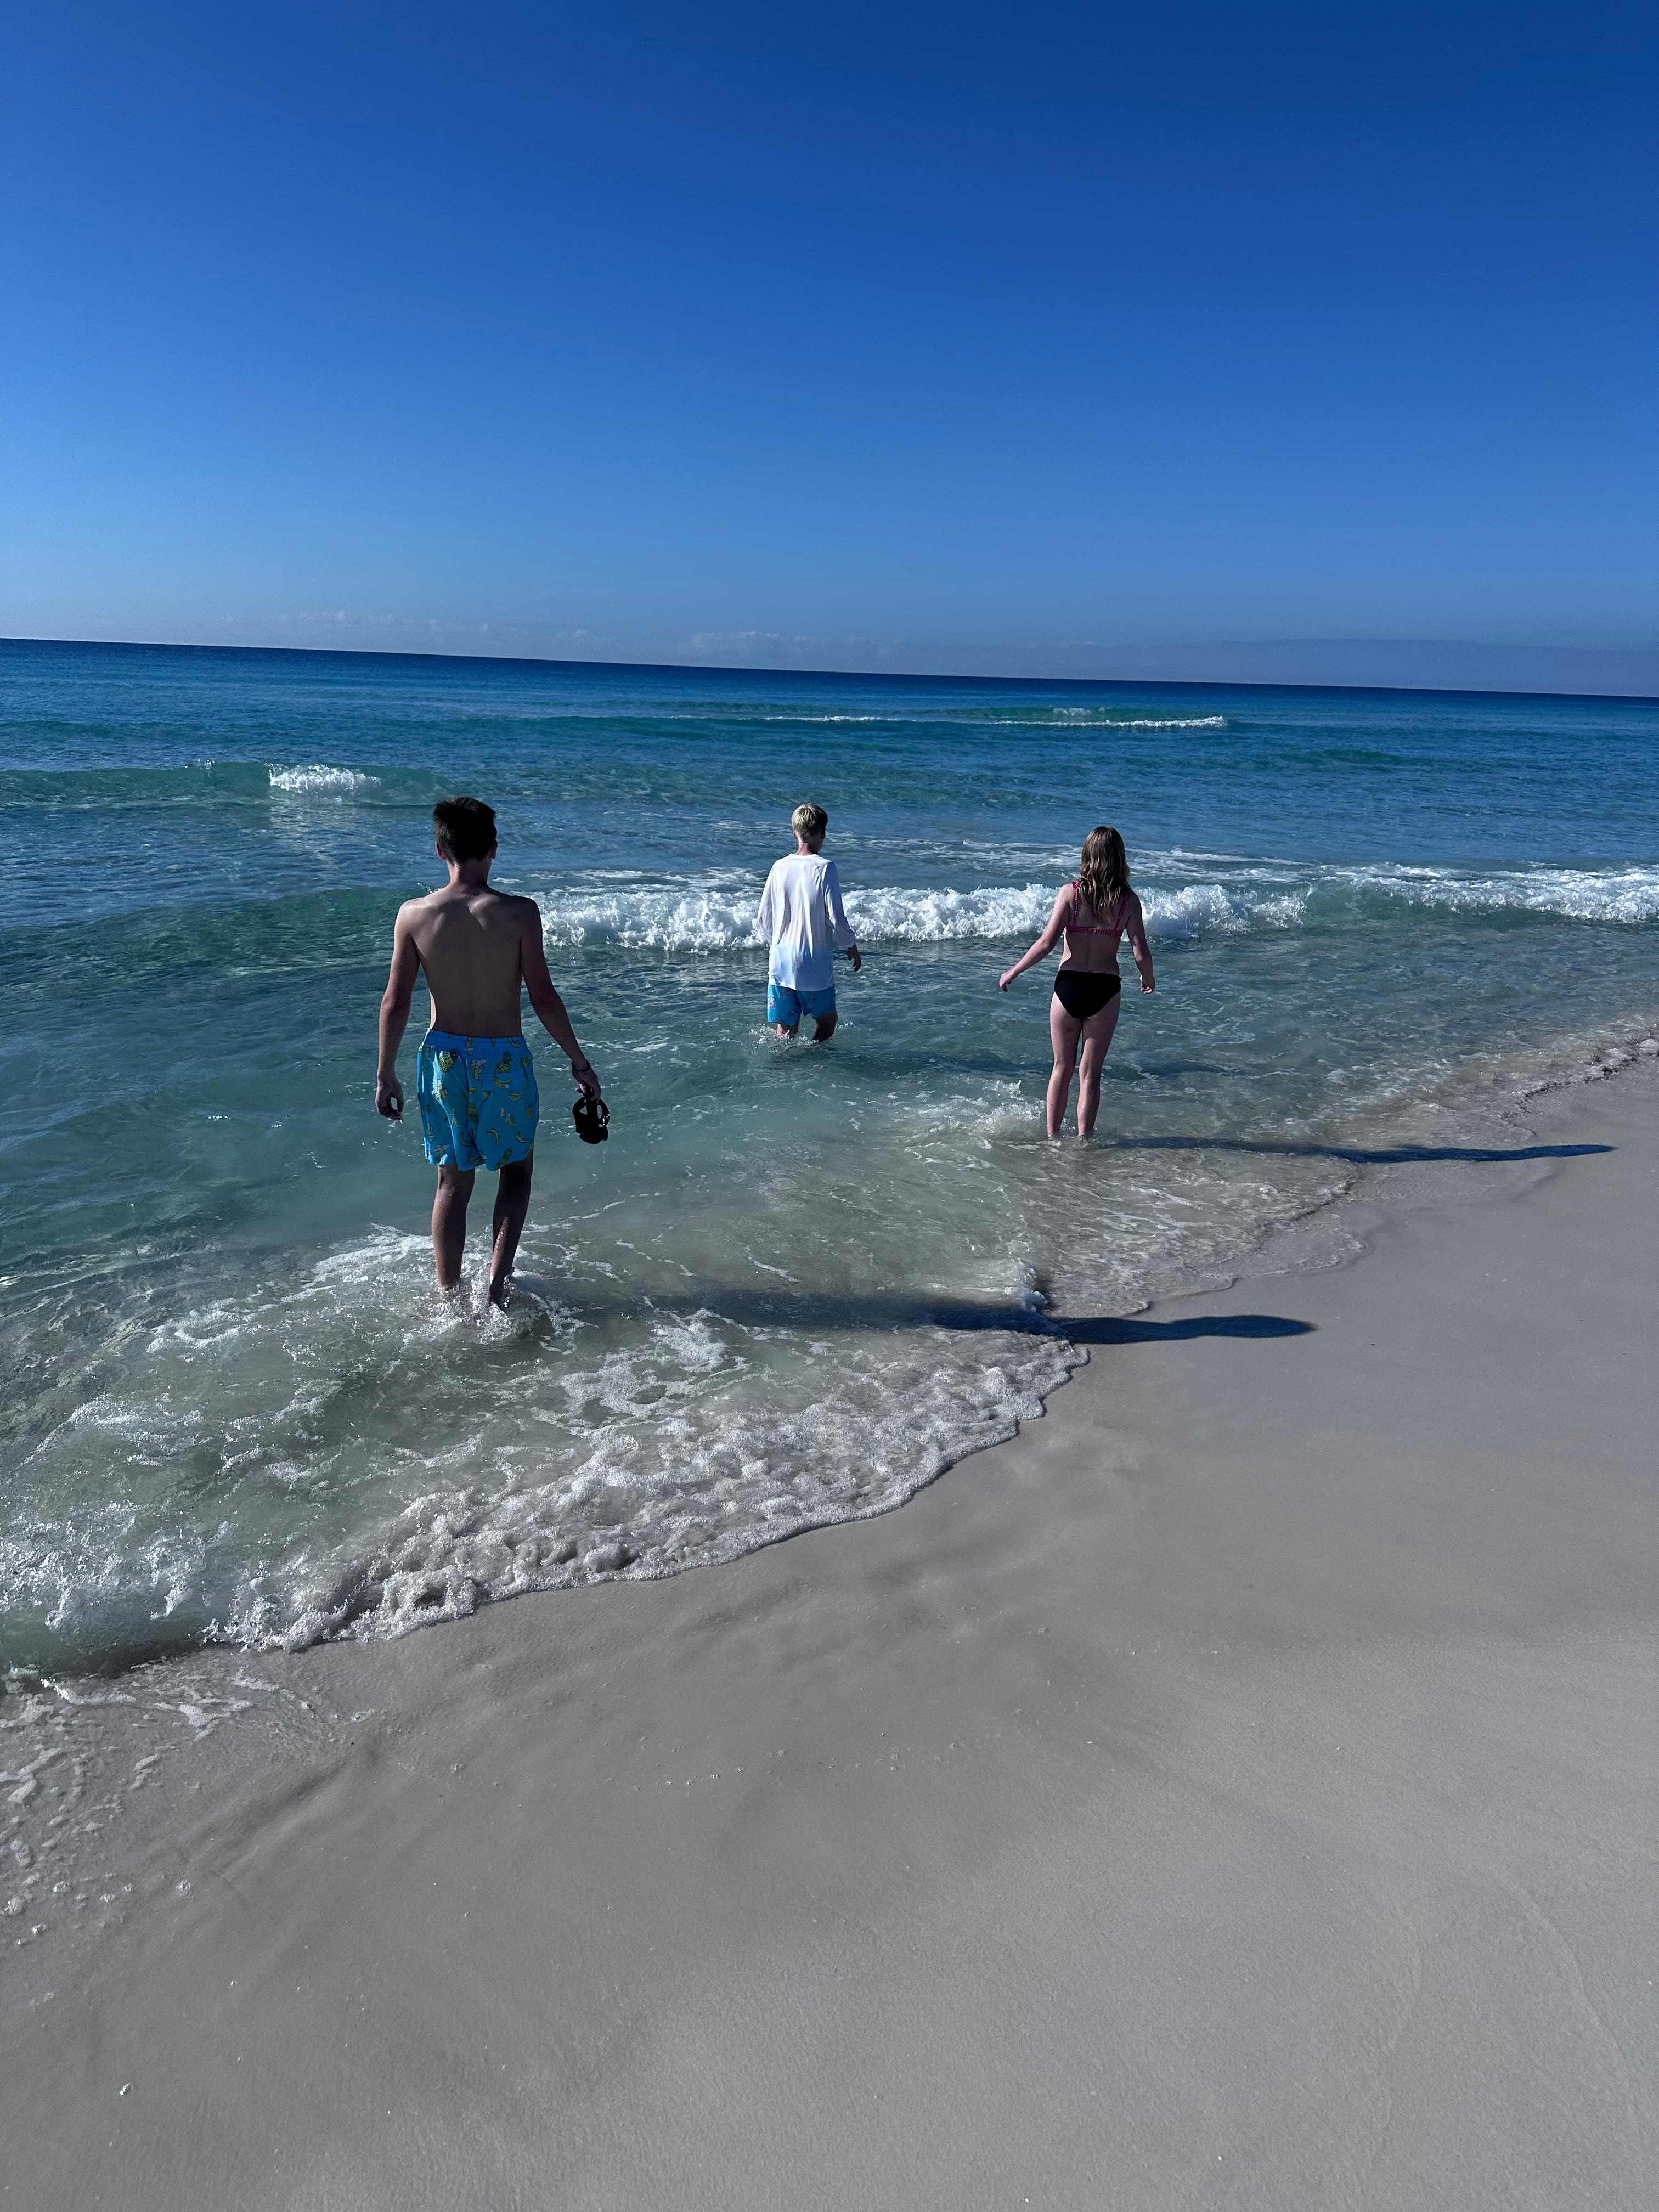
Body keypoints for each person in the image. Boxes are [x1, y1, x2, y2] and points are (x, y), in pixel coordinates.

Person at [375, 796, 602, 1308]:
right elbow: (543, 997)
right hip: (504, 1058)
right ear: (494, 849)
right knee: (516, 1171)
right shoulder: (520, 914)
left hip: (444, 1059)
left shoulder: (414, 915)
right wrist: (579, 1061)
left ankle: (449, 1294)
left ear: (440, 850)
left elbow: (396, 1000)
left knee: (452, 1183)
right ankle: (496, 1288)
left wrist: (385, 1073)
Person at [998, 825, 1154, 1138]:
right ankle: (1084, 1141)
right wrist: (1147, 977)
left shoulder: (1071, 893)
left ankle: (1053, 1138)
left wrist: (1013, 971)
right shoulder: (1128, 902)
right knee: (1090, 1074)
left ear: (1088, 855)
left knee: (1061, 1068)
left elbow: (1046, 943)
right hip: (1105, 990)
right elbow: (1140, 951)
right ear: (1119, 858)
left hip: (1068, 987)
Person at [756, 802, 862, 1040]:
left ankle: (783, 1070)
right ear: (823, 833)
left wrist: (779, 944)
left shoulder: (779, 867)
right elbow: (837, 918)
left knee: (785, 1029)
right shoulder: (825, 868)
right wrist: (851, 946)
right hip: (813, 964)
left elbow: (764, 919)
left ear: (795, 832)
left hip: (781, 961)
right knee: (828, 1021)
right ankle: (812, 1064)